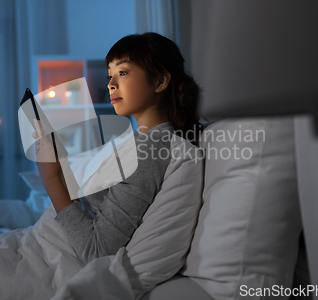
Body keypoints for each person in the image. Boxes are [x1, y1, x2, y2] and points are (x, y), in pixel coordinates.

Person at [32, 32, 202, 264]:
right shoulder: (140, 140)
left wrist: (50, 177)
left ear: (161, 81)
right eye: (110, 76)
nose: (111, 85)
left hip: (58, 258)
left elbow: (97, 251)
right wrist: (59, 161)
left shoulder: (149, 151)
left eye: (122, 73)